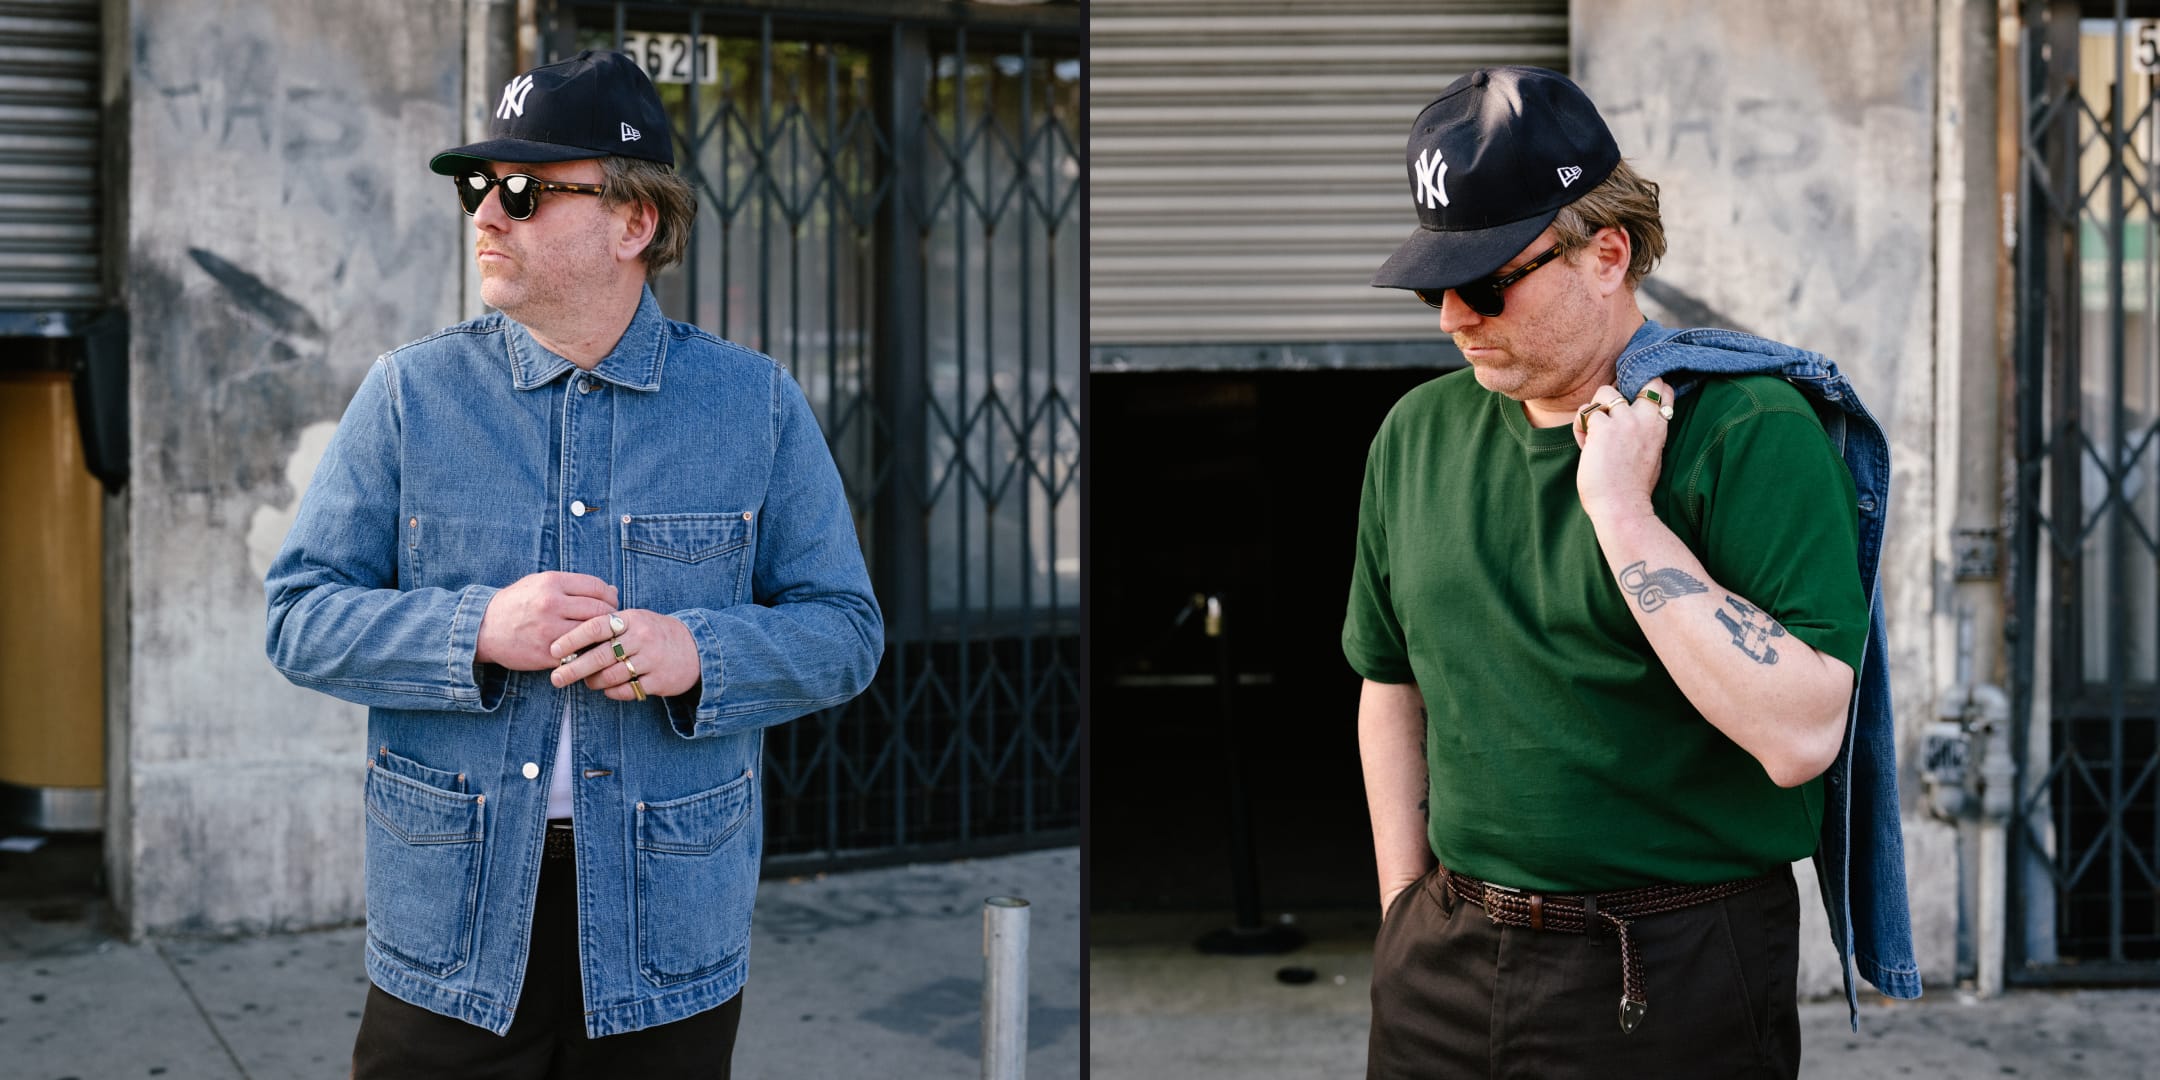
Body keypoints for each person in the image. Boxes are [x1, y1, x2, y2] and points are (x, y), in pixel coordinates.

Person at [264, 50, 882, 1078]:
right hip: (451, 929)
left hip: (664, 927)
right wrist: (476, 631)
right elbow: (297, 616)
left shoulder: (753, 405)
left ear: (633, 222)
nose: (485, 217)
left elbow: (845, 631)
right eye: (479, 187)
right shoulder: (410, 397)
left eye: (525, 191)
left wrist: (699, 651)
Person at [1343, 66, 1916, 1079]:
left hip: (1667, 970)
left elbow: (1801, 736)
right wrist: (1402, 917)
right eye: (1435, 285)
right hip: (1446, 956)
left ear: (1607, 253)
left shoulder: (1747, 432)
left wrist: (1623, 513)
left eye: (1485, 283)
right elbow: (1389, 687)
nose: (1451, 319)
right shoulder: (1414, 436)